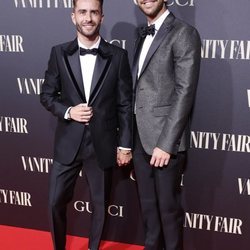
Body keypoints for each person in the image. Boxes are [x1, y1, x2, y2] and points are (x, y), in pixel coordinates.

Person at [40, 0, 133, 249]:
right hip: (68, 142)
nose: (88, 18)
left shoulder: (118, 57)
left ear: (102, 16)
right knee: (54, 202)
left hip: (102, 144)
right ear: (73, 16)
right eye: (82, 12)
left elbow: (125, 104)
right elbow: (47, 96)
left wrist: (125, 144)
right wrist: (69, 111)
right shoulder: (58, 53)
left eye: (94, 12)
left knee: (100, 205)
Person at [132, 0, 201, 249]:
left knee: (169, 213)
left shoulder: (184, 33)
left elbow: (185, 93)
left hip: (165, 144)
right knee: (148, 211)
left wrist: (166, 143)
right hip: (139, 139)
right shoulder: (140, 35)